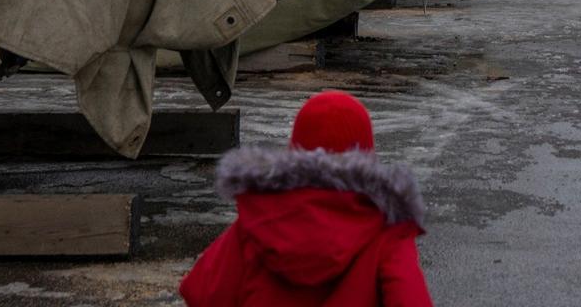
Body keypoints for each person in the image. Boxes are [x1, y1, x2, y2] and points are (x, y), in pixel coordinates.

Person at [179, 91, 433, 306]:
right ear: (367, 154)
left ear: (295, 150)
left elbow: (201, 292)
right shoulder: (386, 232)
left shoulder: (257, 224)